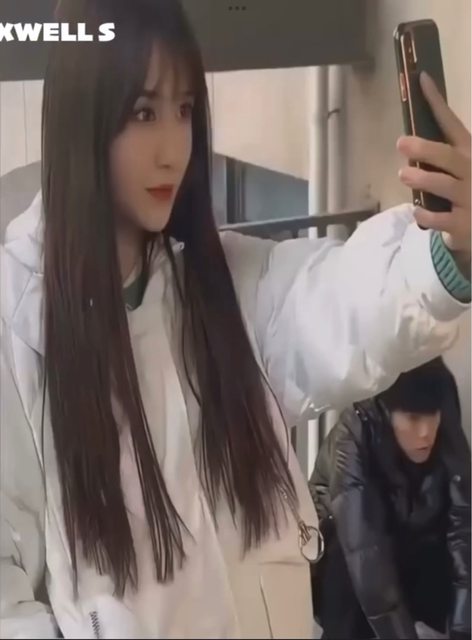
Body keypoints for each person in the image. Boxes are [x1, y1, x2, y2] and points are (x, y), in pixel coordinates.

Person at [0, 0, 470, 637]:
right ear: (82, 116)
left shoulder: (218, 286)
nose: (174, 150)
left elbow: (339, 302)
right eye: (143, 113)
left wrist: (446, 251)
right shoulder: (19, 325)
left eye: (185, 109)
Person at [309, 358, 471, 640]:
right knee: (343, 558)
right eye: (413, 418)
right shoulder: (353, 433)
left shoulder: (446, 424)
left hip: (408, 541)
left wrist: (463, 631)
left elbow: (464, 529)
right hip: (348, 555)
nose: (426, 432)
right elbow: (365, 553)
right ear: (387, 411)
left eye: (432, 415)